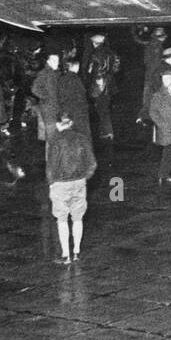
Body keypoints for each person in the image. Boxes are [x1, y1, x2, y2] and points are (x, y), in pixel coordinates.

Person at [47, 112, 98, 264]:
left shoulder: (55, 141)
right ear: (71, 123)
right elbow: (92, 164)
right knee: (77, 217)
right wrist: (84, 176)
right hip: (79, 182)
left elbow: (51, 167)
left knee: (61, 219)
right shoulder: (82, 139)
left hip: (60, 183)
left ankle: (65, 255)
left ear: (58, 124)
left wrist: (51, 182)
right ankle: (76, 251)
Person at [83, 31, 118, 147]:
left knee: (101, 108)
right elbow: (116, 68)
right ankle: (106, 131)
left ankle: (107, 131)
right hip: (109, 83)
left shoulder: (95, 54)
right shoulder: (112, 53)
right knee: (105, 107)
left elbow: (89, 70)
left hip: (98, 84)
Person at [30, 51, 62, 143]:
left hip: (56, 107)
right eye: (54, 60)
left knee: (55, 134)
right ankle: (50, 156)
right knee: (51, 135)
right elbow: (35, 88)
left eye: (58, 60)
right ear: (48, 61)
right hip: (48, 107)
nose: (57, 63)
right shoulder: (44, 73)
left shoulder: (56, 73)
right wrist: (46, 97)